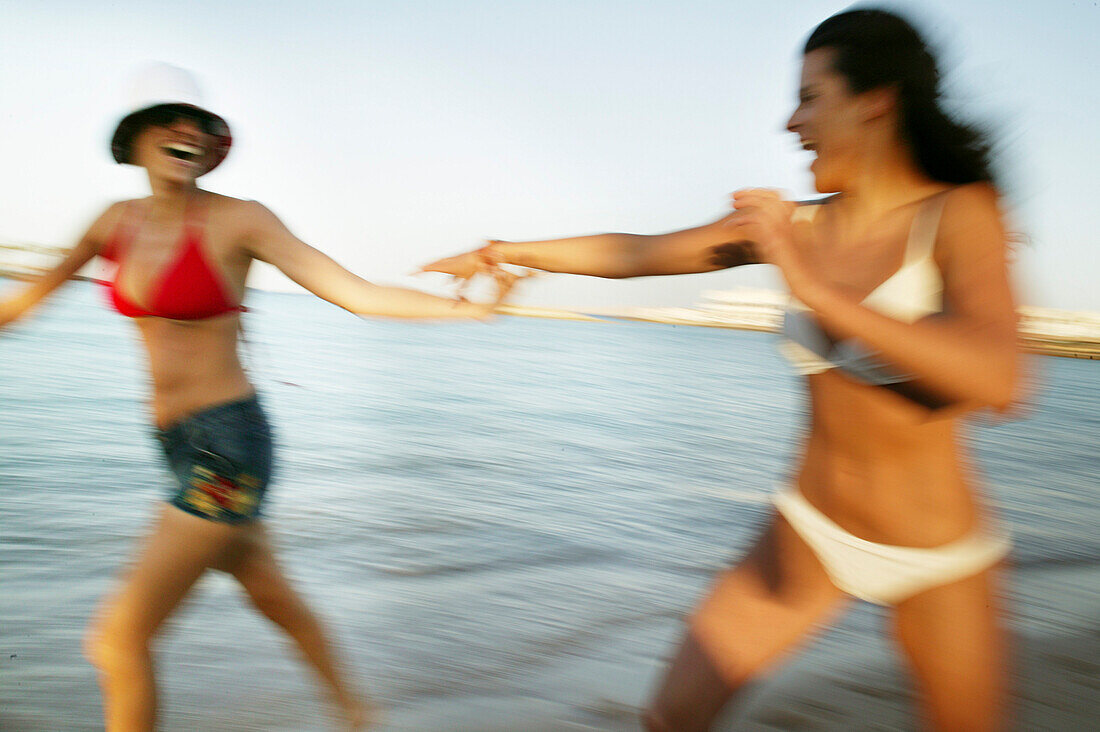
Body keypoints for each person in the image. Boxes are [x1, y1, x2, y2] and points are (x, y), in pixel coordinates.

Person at [422, 9, 1020, 731]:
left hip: (938, 557)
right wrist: (504, 251)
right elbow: (637, 254)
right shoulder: (792, 226)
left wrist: (811, 288)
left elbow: (999, 378)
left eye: (809, 96)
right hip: (807, 534)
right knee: (670, 719)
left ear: (876, 101)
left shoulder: (957, 216)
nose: (790, 122)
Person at [0, 64, 516, 731]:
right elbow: (26, 301)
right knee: (273, 597)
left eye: (201, 122)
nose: (188, 130)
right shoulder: (111, 222)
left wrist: (469, 312)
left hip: (229, 447)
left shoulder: (239, 220)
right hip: (175, 444)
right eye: (169, 118)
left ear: (215, 146)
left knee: (116, 640)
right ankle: (362, 717)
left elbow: (355, 293)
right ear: (136, 138)